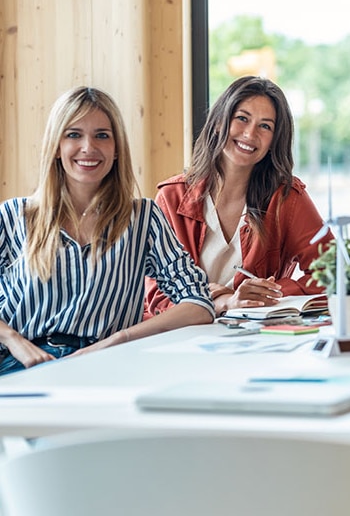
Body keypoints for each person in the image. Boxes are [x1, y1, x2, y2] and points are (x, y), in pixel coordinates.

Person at [0, 87, 214, 376]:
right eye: (73, 134)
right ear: (55, 146)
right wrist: (14, 341)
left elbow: (198, 303)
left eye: (102, 135)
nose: (88, 147)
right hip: (21, 365)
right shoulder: (13, 216)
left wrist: (120, 339)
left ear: (116, 150)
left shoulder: (143, 218)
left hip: (107, 364)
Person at [145, 76, 327, 318]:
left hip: (254, 339)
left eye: (265, 126)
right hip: (182, 339)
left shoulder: (286, 198)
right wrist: (222, 299)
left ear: (274, 140)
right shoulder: (171, 197)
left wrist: (268, 293)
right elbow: (157, 296)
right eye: (242, 118)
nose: (250, 134)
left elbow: (334, 273)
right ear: (220, 122)